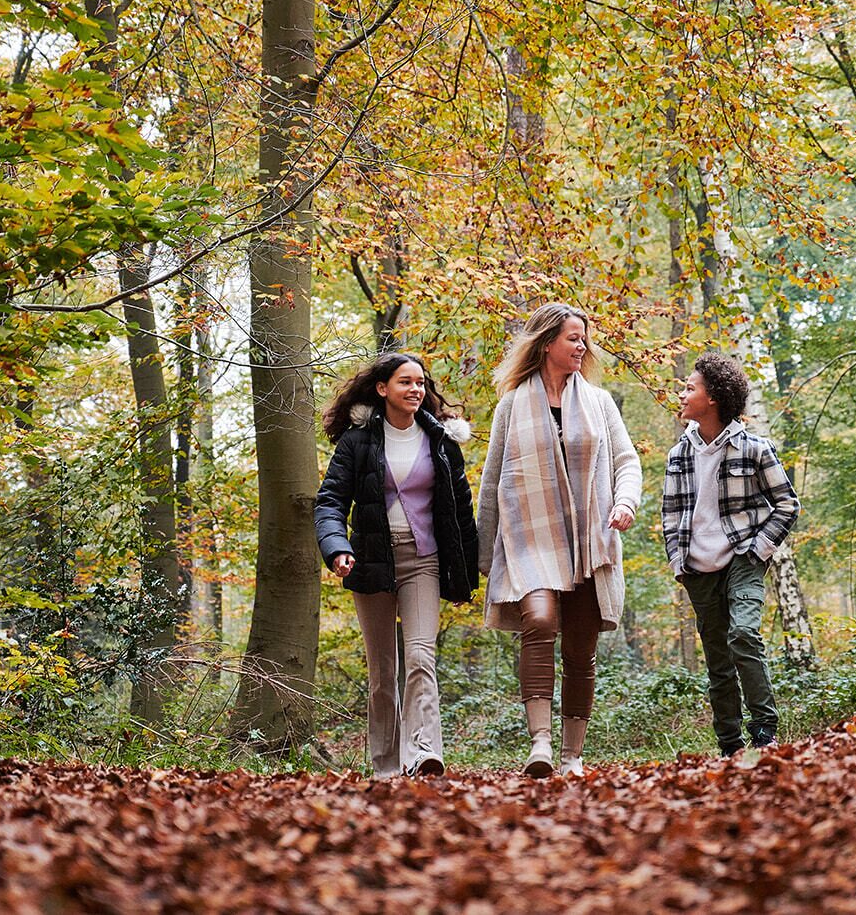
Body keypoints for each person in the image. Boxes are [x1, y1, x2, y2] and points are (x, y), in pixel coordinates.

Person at [476, 303, 642, 777]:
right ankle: (541, 745)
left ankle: (573, 754)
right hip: (531, 536)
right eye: (573, 337)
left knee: (580, 649)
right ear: (547, 342)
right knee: (541, 621)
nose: (582, 345)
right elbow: (492, 480)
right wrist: (483, 554)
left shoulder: (600, 402)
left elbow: (627, 461)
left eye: (583, 338)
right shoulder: (511, 404)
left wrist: (625, 502)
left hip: (592, 537)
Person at [315, 353, 479, 778]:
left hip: (423, 560)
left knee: (421, 656)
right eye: (405, 382)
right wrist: (336, 549)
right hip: (369, 560)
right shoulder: (357, 442)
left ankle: (422, 751)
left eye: (421, 383)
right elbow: (331, 501)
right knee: (383, 670)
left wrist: (467, 572)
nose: (416, 390)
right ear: (382, 389)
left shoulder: (440, 442)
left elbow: (461, 508)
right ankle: (386, 763)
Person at [662, 352, 799, 756]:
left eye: (690, 387)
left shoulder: (755, 448)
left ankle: (764, 731)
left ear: (714, 398)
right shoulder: (678, 455)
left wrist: (758, 551)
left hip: (743, 558)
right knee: (718, 662)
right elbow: (670, 513)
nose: (682, 393)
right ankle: (729, 745)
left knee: (743, 634)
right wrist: (678, 564)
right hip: (696, 567)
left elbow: (787, 504)